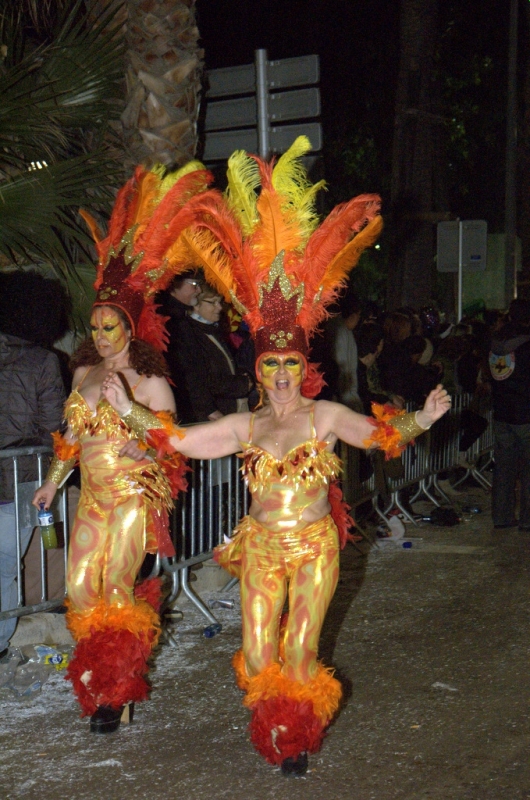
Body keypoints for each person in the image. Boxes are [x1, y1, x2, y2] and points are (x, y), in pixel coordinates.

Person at [103, 138, 451, 774]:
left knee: (299, 647)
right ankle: (272, 713)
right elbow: (179, 439)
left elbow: (375, 435)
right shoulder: (245, 425)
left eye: (292, 363)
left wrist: (420, 418)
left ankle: (293, 736)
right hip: (260, 545)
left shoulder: (323, 418)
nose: (284, 374)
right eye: (273, 366)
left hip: (315, 544)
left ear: (303, 366)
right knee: (259, 652)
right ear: (260, 370)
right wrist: (129, 413)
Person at [31, 162, 210, 733]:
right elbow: (72, 438)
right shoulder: (83, 373)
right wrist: (52, 481)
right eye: (97, 326)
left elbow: (172, 445)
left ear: (131, 326)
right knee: (82, 592)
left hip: (132, 499)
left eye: (113, 327)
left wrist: (135, 423)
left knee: (116, 588)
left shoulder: (149, 378)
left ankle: (116, 692)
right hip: (90, 496)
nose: (104, 336)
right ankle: (100, 678)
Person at [0, 271, 67, 660]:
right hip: (19, 480)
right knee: (5, 566)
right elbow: (52, 428)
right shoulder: (43, 361)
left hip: (16, 476)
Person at [177, 283, 254, 422]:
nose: (219, 307)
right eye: (213, 303)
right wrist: (242, 383)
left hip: (231, 412)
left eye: (219, 302)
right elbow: (204, 380)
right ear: (195, 304)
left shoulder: (212, 330)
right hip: (217, 417)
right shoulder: (191, 335)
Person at [488, 298, 530, 530]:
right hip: (526, 412)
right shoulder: (526, 343)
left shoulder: (497, 340)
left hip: (502, 412)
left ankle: (502, 517)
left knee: (503, 469)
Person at [156, 270, 203, 422]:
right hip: (181, 407)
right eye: (194, 285)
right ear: (174, 286)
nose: (199, 290)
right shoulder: (171, 321)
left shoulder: (178, 316)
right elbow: (187, 370)